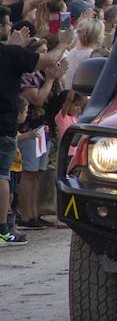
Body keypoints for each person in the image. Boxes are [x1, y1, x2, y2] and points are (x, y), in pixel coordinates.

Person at [0, 25, 62, 246]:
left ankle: (30, 216)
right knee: (7, 176)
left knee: (33, 173)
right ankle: (6, 227)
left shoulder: (11, 54)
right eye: (39, 51)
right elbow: (38, 98)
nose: (10, 27)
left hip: (35, 128)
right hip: (15, 127)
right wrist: (64, 42)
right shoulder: (14, 58)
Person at [61, 17, 105, 90]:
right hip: (81, 96)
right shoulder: (93, 55)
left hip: (69, 92)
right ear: (98, 36)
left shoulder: (72, 51)